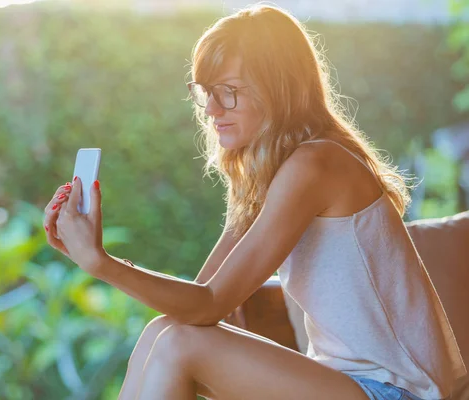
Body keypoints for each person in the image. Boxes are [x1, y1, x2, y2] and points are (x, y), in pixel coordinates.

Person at [42, 4, 466, 399]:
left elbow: (211, 304)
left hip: (399, 391)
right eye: (205, 91)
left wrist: (100, 263)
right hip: (345, 381)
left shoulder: (316, 163)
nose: (211, 108)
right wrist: (88, 249)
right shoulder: (269, 174)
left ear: (278, 89)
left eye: (228, 91)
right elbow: (197, 304)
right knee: (163, 330)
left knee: (179, 343)